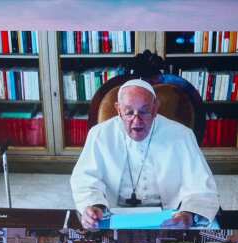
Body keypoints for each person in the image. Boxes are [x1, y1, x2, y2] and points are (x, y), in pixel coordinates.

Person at [70, 79, 220, 229]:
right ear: (118, 110)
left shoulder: (181, 135)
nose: (137, 120)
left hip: (169, 217)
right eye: (129, 112)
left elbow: (201, 186)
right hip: (113, 215)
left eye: (144, 111)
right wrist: (95, 206)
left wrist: (188, 215)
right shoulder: (99, 134)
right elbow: (84, 180)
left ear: (155, 109)